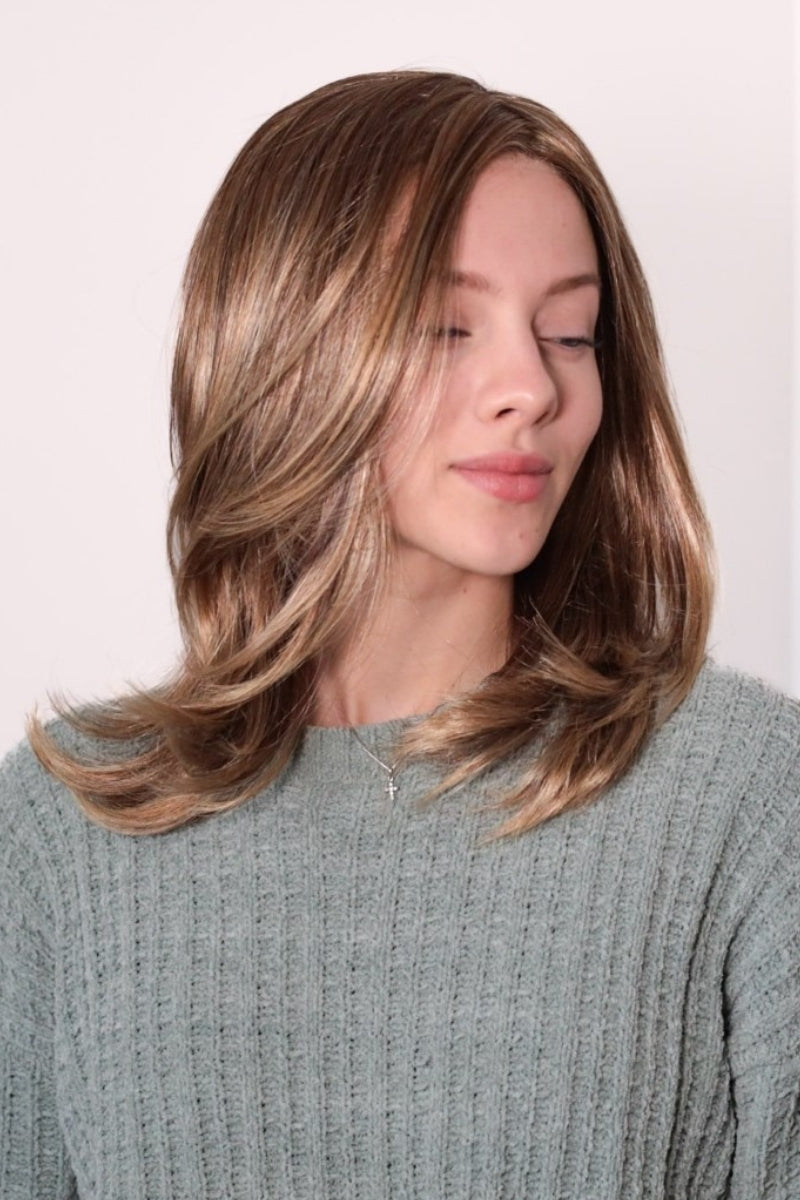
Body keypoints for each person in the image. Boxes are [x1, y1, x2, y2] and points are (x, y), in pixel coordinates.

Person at [1, 70, 798, 1200]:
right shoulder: (64, 833)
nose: (530, 386)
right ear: (283, 350)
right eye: (445, 326)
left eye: (570, 334)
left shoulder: (744, 800)